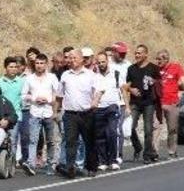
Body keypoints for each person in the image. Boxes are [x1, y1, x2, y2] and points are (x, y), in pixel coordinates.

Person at [57, 47, 101, 178]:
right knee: (70, 141)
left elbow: (99, 90)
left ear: (82, 60)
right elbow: (60, 95)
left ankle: (91, 167)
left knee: (89, 141)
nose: (71, 60)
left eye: (74, 58)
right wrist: (56, 111)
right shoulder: (65, 75)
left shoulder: (90, 75)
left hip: (87, 113)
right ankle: (70, 167)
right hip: (70, 114)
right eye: (70, 58)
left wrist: (95, 101)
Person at [21, 53, 60, 175]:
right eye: (37, 63)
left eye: (41, 63)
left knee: (50, 141)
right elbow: (23, 95)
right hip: (35, 112)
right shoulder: (29, 78)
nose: (39, 65)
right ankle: (31, 164)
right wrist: (34, 98)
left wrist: (48, 100)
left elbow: (57, 93)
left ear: (46, 64)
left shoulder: (52, 77)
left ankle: (50, 164)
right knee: (33, 140)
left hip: (48, 112)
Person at [124, 44, 162, 164]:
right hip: (135, 103)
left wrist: (153, 82)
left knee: (148, 130)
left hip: (149, 103)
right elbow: (126, 86)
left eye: (139, 53)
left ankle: (147, 154)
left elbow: (160, 82)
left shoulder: (153, 68)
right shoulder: (131, 68)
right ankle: (138, 147)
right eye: (136, 53)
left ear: (146, 54)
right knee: (129, 128)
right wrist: (131, 90)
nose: (137, 55)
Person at [94, 52, 125, 171]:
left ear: (107, 61)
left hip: (113, 106)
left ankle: (113, 160)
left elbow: (123, 90)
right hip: (99, 108)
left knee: (112, 133)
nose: (101, 64)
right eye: (99, 62)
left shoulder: (116, 74)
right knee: (100, 136)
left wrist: (126, 107)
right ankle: (103, 161)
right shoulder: (94, 76)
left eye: (103, 62)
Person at [153, 49, 184, 158]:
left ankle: (172, 151)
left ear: (166, 59)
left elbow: (183, 81)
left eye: (159, 59)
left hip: (172, 102)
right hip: (158, 104)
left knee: (172, 128)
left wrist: (181, 89)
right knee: (156, 128)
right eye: (156, 59)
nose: (157, 61)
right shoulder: (154, 70)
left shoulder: (176, 67)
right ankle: (154, 152)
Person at [0, 56, 25, 165]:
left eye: (15, 67)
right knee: (0, 139)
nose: (13, 69)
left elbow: (24, 98)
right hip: (1, 116)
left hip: (16, 116)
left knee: (13, 140)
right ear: (5, 68)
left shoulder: (22, 82)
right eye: (10, 67)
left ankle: (11, 163)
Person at [106, 44, 131, 164]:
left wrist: (127, 103)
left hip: (121, 100)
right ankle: (107, 154)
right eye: (120, 53)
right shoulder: (107, 64)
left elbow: (129, 82)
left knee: (117, 128)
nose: (122, 55)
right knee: (107, 130)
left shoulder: (128, 65)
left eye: (124, 53)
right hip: (106, 101)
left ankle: (118, 154)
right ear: (114, 52)